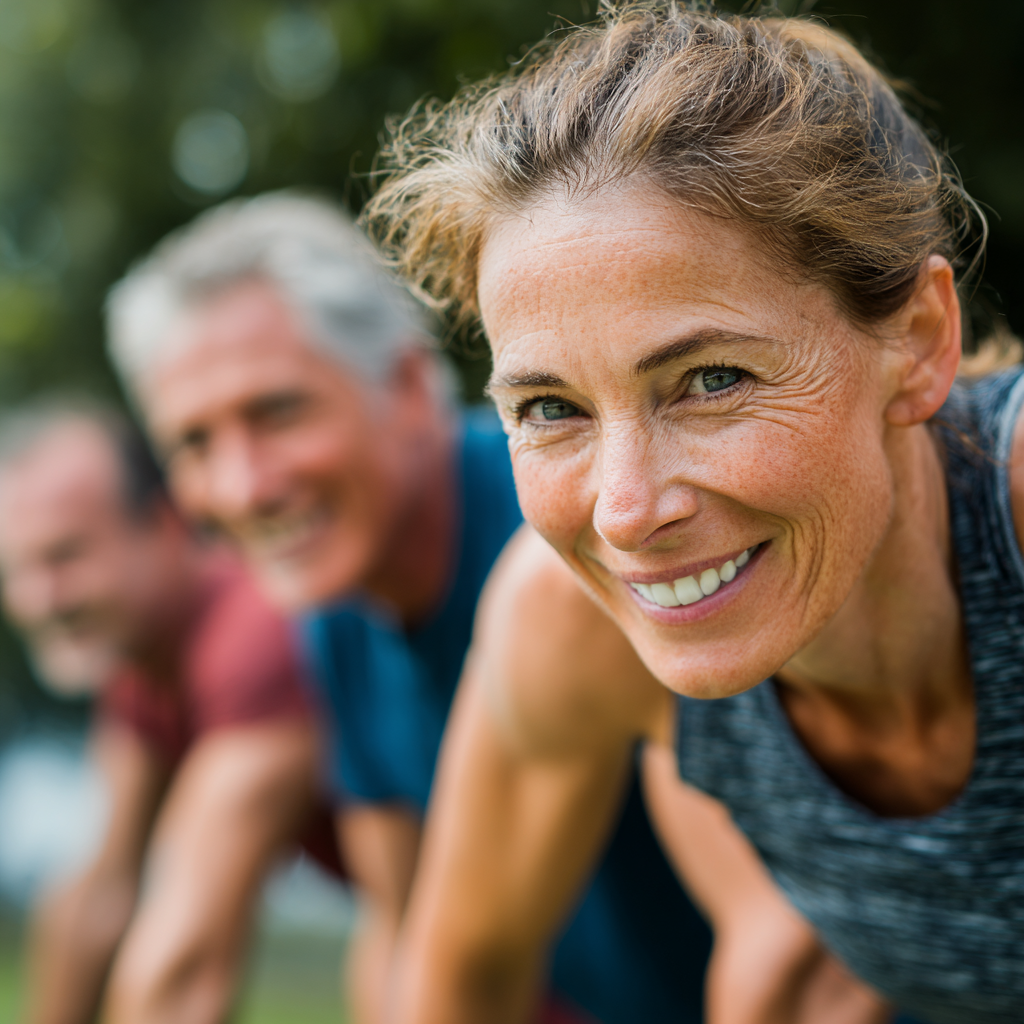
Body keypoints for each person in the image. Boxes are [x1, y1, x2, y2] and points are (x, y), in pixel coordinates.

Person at [364, 3, 1019, 1022]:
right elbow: (457, 981)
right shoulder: (566, 623)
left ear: (921, 339)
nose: (625, 511)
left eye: (710, 379)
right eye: (550, 408)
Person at [103, 193, 722, 1024]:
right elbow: (400, 932)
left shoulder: (579, 533)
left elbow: (784, 933)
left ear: (404, 387)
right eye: (195, 443)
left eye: (276, 412)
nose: (243, 486)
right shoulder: (332, 616)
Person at [0, 398, 339, 1024]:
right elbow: (100, 893)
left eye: (65, 556)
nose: (40, 599)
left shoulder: (253, 635)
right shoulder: (139, 661)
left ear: (164, 523)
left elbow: (184, 969)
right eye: (16, 568)